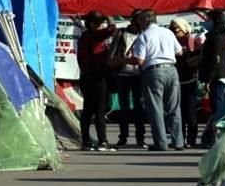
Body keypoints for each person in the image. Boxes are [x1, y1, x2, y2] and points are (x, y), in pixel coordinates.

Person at [127, 10, 184, 151]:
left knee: (155, 108)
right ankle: (178, 141)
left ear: (145, 21)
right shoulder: (168, 33)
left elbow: (139, 60)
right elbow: (180, 52)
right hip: (172, 69)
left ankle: (161, 142)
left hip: (153, 71)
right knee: (173, 107)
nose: (138, 23)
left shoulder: (143, 36)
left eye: (139, 20)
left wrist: (125, 60)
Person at [76, 11, 117, 151]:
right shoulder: (94, 36)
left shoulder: (84, 37)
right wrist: (110, 19)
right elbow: (111, 30)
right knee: (99, 110)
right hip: (98, 77)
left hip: (86, 77)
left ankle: (86, 141)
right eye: (100, 24)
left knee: (87, 110)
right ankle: (102, 141)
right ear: (93, 24)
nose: (103, 26)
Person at [108, 16, 147, 148]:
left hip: (139, 75)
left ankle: (140, 138)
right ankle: (123, 136)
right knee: (123, 107)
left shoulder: (145, 34)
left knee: (139, 108)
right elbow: (113, 52)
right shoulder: (122, 33)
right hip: (122, 74)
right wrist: (115, 62)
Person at [199, 9, 225, 147]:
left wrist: (209, 80)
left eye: (207, 19)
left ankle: (216, 137)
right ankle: (211, 136)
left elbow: (216, 60)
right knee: (215, 107)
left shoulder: (217, 37)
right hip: (215, 76)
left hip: (217, 77)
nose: (205, 22)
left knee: (218, 108)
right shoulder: (213, 35)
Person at [171, 18, 202, 147]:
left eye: (176, 29)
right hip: (176, 80)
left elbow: (200, 57)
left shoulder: (192, 40)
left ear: (183, 28)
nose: (173, 31)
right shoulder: (171, 40)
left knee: (190, 112)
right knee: (178, 112)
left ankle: (191, 139)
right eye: (172, 29)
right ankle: (179, 138)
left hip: (190, 80)